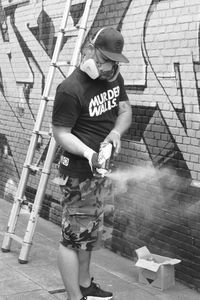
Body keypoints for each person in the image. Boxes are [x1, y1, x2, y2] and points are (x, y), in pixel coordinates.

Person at [52, 26, 132, 300]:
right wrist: (88, 153)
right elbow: (60, 134)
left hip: (100, 172)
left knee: (88, 235)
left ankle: (86, 285)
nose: (108, 66)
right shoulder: (69, 88)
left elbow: (125, 111)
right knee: (71, 240)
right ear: (90, 50)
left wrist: (115, 133)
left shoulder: (114, 79)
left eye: (113, 61)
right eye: (104, 59)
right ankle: (75, 297)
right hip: (77, 174)